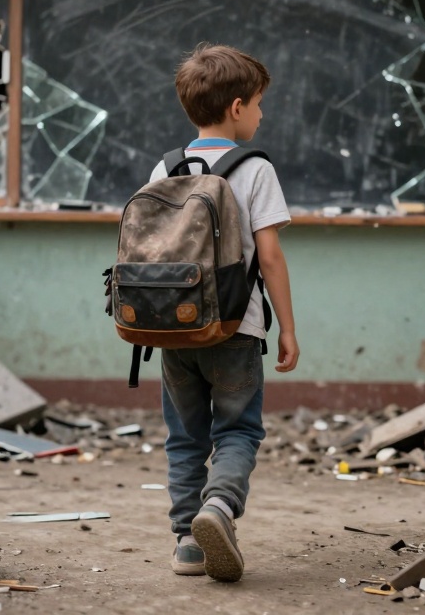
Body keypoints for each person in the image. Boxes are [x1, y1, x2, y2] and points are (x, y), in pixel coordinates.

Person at [153, 44, 300, 581]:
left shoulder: (166, 167)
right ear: (237, 107)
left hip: (173, 329)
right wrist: (287, 326)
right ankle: (218, 507)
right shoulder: (256, 169)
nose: (262, 114)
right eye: (260, 104)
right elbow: (270, 255)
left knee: (185, 435)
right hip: (237, 327)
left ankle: (188, 544)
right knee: (237, 432)